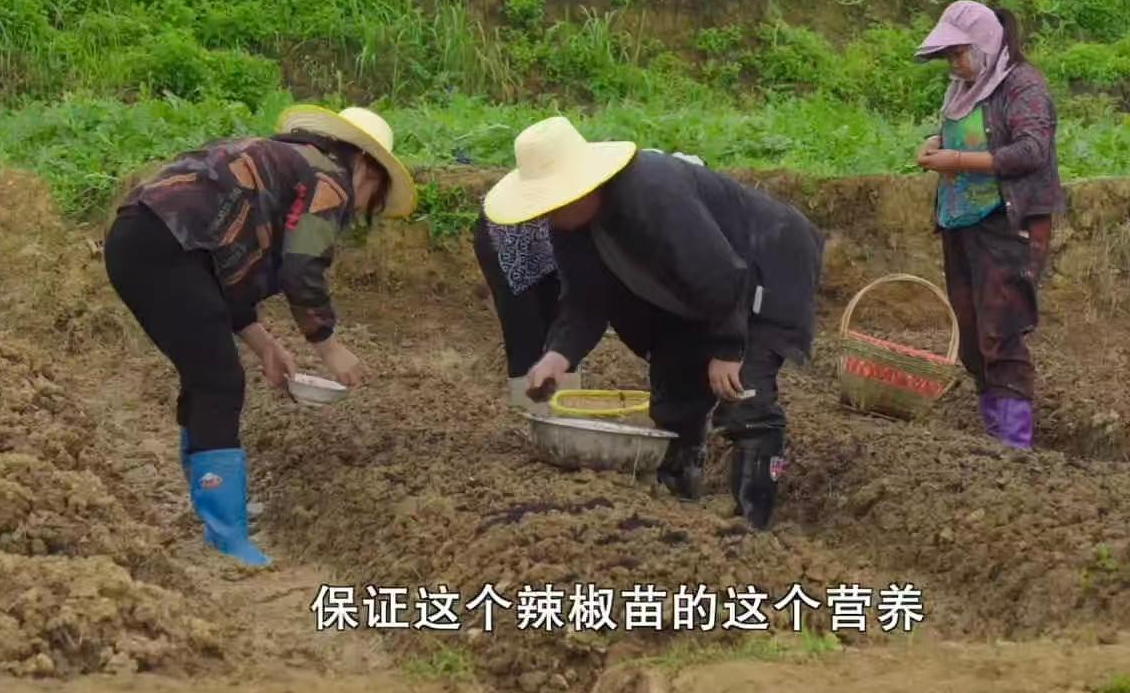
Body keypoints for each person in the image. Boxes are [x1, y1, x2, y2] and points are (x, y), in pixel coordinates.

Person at [103, 105, 415, 566]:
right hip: (164, 247)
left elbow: (223, 269)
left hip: (147, 240)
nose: (358, 209)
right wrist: (328, 346)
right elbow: (302, 267)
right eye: (372, 197)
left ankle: (217, 506)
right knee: (219, 382)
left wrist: (265, 345)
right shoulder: (331, 178)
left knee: (206, 372)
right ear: (366, 166)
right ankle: (226, 534)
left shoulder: (287, 162)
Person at [485, 120, 822, 530]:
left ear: (583, 186)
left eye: (554, 203)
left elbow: (720, 272)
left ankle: (751, 525)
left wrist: (727, 348)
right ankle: (681, 498)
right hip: (690, 293)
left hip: (766, 263)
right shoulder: (570, 226)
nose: (549, 215)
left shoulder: (653, 193)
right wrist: (558, 356)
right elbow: (585, 301)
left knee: (745, 394)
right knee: (675, 396)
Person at [913, 1, 1064, 451]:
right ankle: (994, 440)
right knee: (972, 337)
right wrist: (935, 144)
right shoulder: (963, 88)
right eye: (948, 56)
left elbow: (1031, 149)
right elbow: (969, 132)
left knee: (1001, 331)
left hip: (1006, 223)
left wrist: (958, 160)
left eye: (959, 53)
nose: (954, 63)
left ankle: (1013, 447)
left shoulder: (1022, 84)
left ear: (984, 44)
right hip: (962, 220)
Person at [472, 149, 706, 400]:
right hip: (506, 232)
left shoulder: (655, 188)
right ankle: (530, 407)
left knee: (560, 322)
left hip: (552, 232)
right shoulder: (639, 190)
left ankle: (561, 406)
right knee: (526, 327)